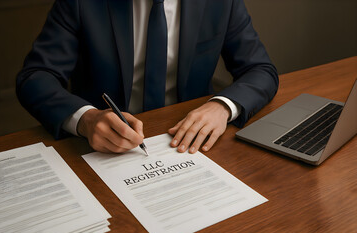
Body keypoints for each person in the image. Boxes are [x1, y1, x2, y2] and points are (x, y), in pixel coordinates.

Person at [16, 0, 278, 154]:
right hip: (102, 148)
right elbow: (36, 76)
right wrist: (85, 119)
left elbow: (260, 70)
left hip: (190, 144)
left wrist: (221, 107)